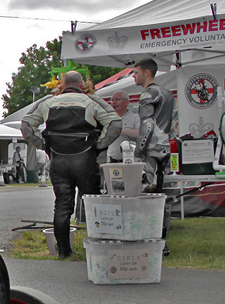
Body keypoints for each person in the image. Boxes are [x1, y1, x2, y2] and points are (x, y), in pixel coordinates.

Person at [21, 71, 121, 257]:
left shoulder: (48, 102)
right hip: (84, 159)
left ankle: (64, 251)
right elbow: (115, 123)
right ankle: (98, 248)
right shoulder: (91, 100)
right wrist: (99, 145)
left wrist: (43, 145)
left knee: (62, 206)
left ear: (62, 84)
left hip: (58, 160)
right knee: (93, 204)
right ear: (82, 84)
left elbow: (26, 125)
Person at [131, 57, 175, 252]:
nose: (133, 76)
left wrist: (139, 150)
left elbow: (147, 125)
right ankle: (160, 241)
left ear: (147, 73)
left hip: (151, 150)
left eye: (136, 72)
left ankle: (152, 240)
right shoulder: (167, 93)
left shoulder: (148, 94)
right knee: (159, 195)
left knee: (147, 196)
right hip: (165, 146)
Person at [106, 91, 141, 163]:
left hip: (131, 160)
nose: (114, 102)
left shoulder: (135, 118)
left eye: (117, 99)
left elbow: (140, 134)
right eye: (112, 100)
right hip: (112, 160)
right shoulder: (108, 119)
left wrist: (121, 130)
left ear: (127, 102)